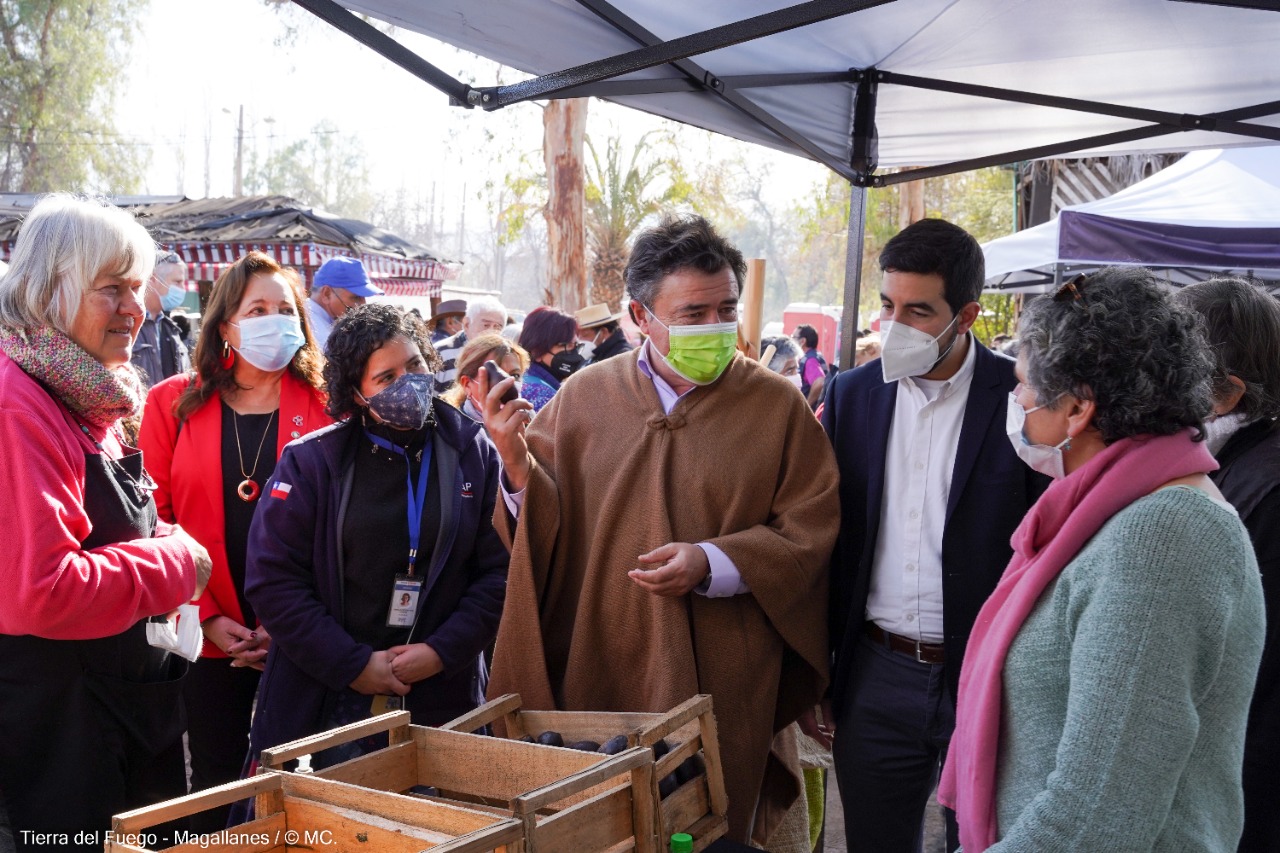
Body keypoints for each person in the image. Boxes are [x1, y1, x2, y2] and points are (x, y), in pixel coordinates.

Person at [480, 214, 839, 846]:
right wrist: (516, 467)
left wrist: (715, 562)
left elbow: (811, 529)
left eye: (726, 309)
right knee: (603, 825)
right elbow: (541, 530)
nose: (715, 328)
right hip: (601, 659)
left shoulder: (776, 404)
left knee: (710, 823)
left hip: (727, 668)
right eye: (693, 313)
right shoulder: (585, 397)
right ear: (640, 316)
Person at [939, 267, 1265, 852]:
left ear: (1079, 408)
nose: (1018, 403)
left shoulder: (1164, 535)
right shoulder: (1120, 511)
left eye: (1025, 386)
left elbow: (1098, 814)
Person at [812, 218, 1046, 853]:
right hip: (875, 672)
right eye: (887, 305)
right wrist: (825, 674)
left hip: (989, 674)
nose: (895, 326)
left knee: (980, 841)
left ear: (966, 314)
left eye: (918, 311)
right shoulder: (854, 395)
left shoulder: (1024, 400)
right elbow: (833, 539)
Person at [0, 195, 212, 851]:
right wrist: (178, 561)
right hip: (60, 745)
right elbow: (43, 589)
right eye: (111, 288)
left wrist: (165, 543)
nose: (135, 308)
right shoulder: (19, 404)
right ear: (47, 291)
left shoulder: (90, 395)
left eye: (137, 286)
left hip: (116, 720)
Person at [243, 303, 508, 772]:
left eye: (416, 366)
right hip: (327, 699)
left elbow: (498, 572)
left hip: (442, 693)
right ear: (355, 393)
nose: (409, 382)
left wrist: (441, 652)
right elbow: (274, 583)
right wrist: (354, 665)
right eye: (386, 378)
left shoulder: (471, 449)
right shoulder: (312, 463)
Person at [139, 250, 330, 831]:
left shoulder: (328, 406)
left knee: (296, 778)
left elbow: (340, 527)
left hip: (302, 632)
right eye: (258, 309)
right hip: (206, 631)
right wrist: (208, 614)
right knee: (216, 779)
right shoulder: (171, 402)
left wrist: (289, 621)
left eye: (285, 309)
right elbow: (153, 520)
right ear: (227, 324)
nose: (275, 320)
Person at [1174, 277, 1280, 853]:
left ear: (1227, 394)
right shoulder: (1228, 463)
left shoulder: (1262, 487)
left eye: (1171, 374)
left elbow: (1251, 675)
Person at [439, 332, 529, 426]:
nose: (508, 383)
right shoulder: (451, 432)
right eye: (495, 376)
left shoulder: (528, 423)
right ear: (467, 384)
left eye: (515, 375)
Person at [129, 250, 191, 387]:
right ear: (152, 280)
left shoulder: (171, 329)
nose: (183, 289)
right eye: (177, 282)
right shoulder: (127, 325)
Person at [304, 256, 383, 351]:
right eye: (356, 297)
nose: (363, 305)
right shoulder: (313, 330)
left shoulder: (326, 321)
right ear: (327, 294)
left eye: (364, 298)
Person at [516, 305, 584, 413]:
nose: (574, 354)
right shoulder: (540, 394)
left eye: (576, 346)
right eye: (566, 346)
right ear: (536, 351)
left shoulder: (527, 381)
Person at [433, 296, 507, 390]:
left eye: (497, 327)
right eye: (486, 325)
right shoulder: (441, 353)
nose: (491, 332)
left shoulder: (504, 357)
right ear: (467, 324)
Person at [792, 324, 829, 408]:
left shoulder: (810, 360)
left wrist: (806, 405)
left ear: (802, 341)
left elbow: (819, 382)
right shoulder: (814, 356)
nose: (792, 340)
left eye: (793, 337)